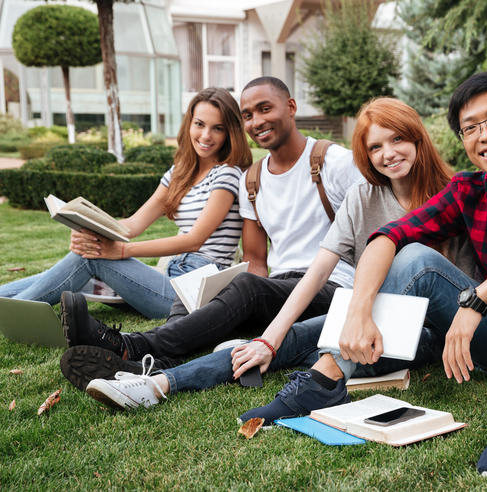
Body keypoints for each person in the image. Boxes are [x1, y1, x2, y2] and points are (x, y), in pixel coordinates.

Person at [241, 72, 487, 477]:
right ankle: (324, 380)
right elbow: (388, 236)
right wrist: (359, 311)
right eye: (471, 127)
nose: (485, 134)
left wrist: (477, 299)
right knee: (412, 254)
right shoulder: (466, 190)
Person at [67, 97, 474, 411]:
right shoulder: (363, 196)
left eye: (398, 139)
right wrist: (269, 337)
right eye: (375, 147)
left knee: (312, 344)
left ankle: (176, 360)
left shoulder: (454, 194)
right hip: (369, 318)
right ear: (364, 156)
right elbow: (317, 271)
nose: (388, 154)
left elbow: (467, 285)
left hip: (429, 330)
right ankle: (154, 385)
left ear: (418, 137)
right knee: (284, 341)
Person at [58, 76, 362, 388]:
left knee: (247, 288)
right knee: (200, 292)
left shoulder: (334, 161)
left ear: (291, 107)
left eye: (265, 109)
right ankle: (147, 366)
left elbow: (374, 238)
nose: (257, 121)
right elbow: (256, 261)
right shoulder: (253, 180)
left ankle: (129, 345)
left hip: (332, 290)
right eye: (248, 115)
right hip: (282, 293)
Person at [0, 87, 252, 319]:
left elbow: (194, 240)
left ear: (230, 132)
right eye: (199, 124)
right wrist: (90, 231)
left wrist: (122, 251)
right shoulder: (179, 172)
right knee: (89, 252)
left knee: (94, 257)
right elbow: (132, 225)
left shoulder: (227, 174)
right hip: (171, 277)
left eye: (217, 128)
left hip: (194, 292)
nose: (206, 135)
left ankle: (15, 315)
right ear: (189, 125)